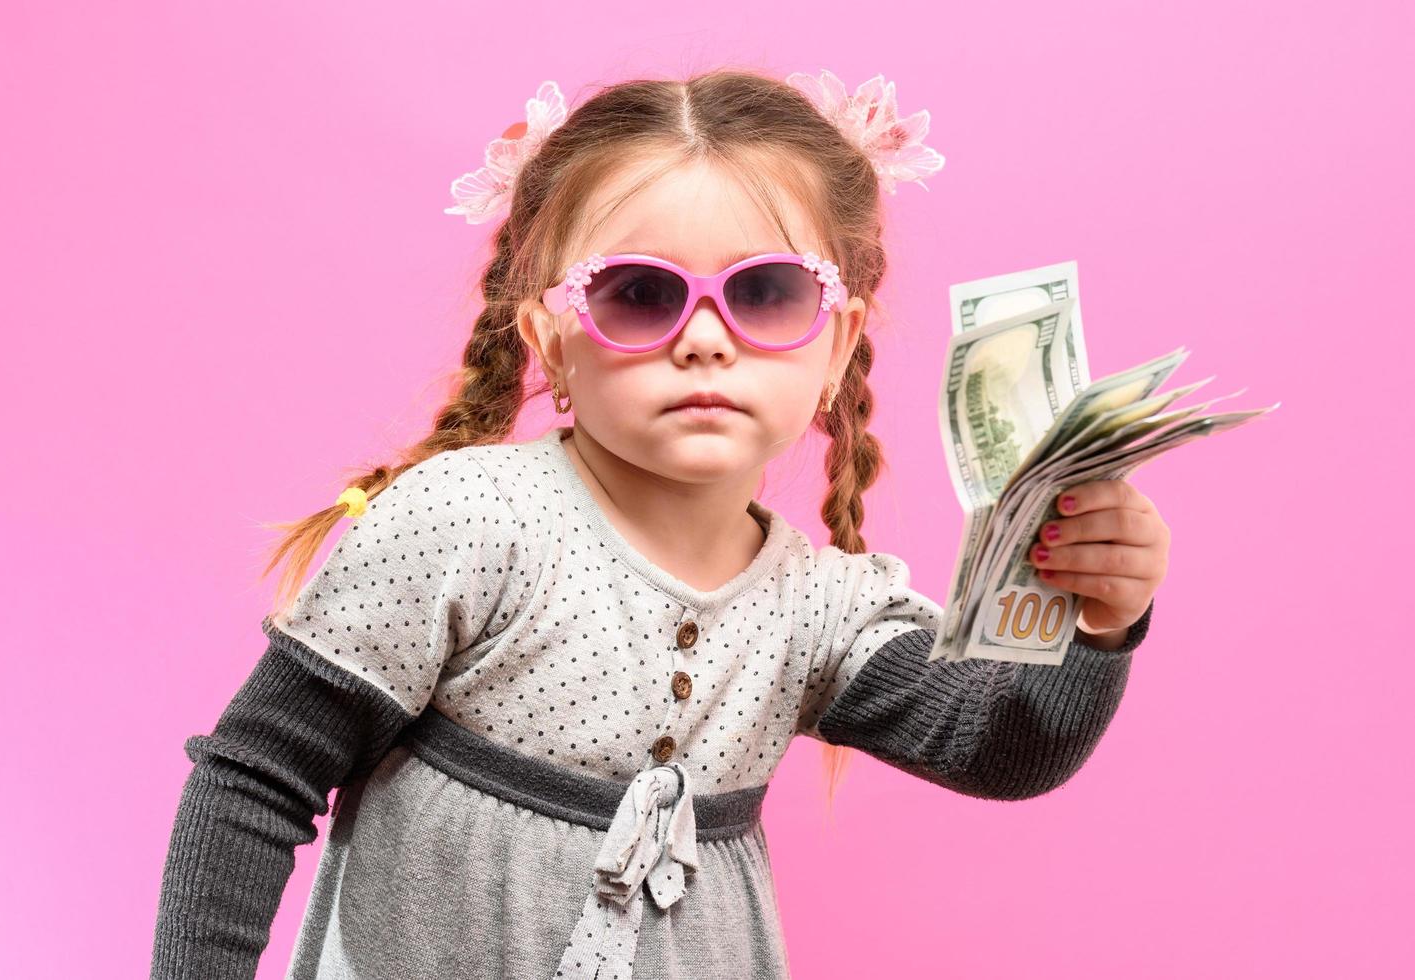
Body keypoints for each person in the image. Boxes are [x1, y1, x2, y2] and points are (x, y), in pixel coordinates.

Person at [150, 68, 1167, 980]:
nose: (707, 340)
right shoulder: (467, 522)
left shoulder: (821, 607)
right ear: (551, 336)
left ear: (837, 343)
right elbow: (257, 775)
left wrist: (1098, 623)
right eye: (639, 295)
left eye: (768, 293)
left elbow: (1002, 748)